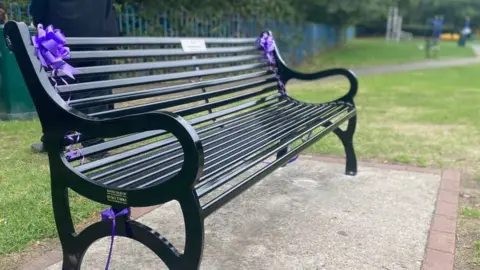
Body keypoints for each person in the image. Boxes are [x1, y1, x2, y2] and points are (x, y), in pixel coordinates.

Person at [29, 0, 119, 154]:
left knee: (57, 88)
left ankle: (56, 139)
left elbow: (38, 8)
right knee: (94, 88)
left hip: (59, 36)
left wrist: (39, 23)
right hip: (95, 36)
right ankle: (94, 142)